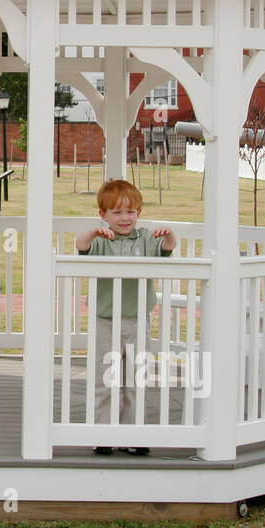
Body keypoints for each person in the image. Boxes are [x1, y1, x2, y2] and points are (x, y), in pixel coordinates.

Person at [74, 179, 176, 456]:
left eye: (130, 212)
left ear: (139, 213)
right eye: (117, 213)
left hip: (136, 319)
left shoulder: (144, 238)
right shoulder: (102, 240)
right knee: (104, 377)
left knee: (135, 377)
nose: (124, 218)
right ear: (104, 215)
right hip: (105, 319)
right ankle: (103, 433)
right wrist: (93, 233)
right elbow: (81, 246)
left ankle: (134, 432)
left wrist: (168, 235)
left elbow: (167, 249)